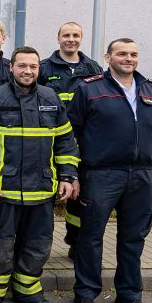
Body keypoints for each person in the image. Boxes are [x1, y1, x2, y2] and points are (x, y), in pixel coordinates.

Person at [68, 38, 152, 303]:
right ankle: (86, 294)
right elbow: (72, 135)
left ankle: (129, 294)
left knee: (133, 237)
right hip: (101, 174)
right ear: (108, 57)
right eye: (122, 53)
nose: (128, 58)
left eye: (133, 54)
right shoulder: (89, 88)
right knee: (90, 237)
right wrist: (73, 174)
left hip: (141, 174)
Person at [0, 46, 79, 303]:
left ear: (38, 69)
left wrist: (67, 175)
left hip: (41, 189)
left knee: (38, 243)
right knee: (0, 242)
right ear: (11, 67)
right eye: (22, 66)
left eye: (33, 66)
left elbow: (65, 141)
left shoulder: (51, 98)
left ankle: (27, 290)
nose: (27, 71)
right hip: (3, 189)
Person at [38, 22, 103, 258]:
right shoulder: (44, 68)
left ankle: (76, 241)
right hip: (50, 139)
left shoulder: (93, 68)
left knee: (81, 195)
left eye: (76, 35)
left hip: (84, 141)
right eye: (66, 35)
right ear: (58, 38)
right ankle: (38, 245)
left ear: (81, 38)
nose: (71, 39)